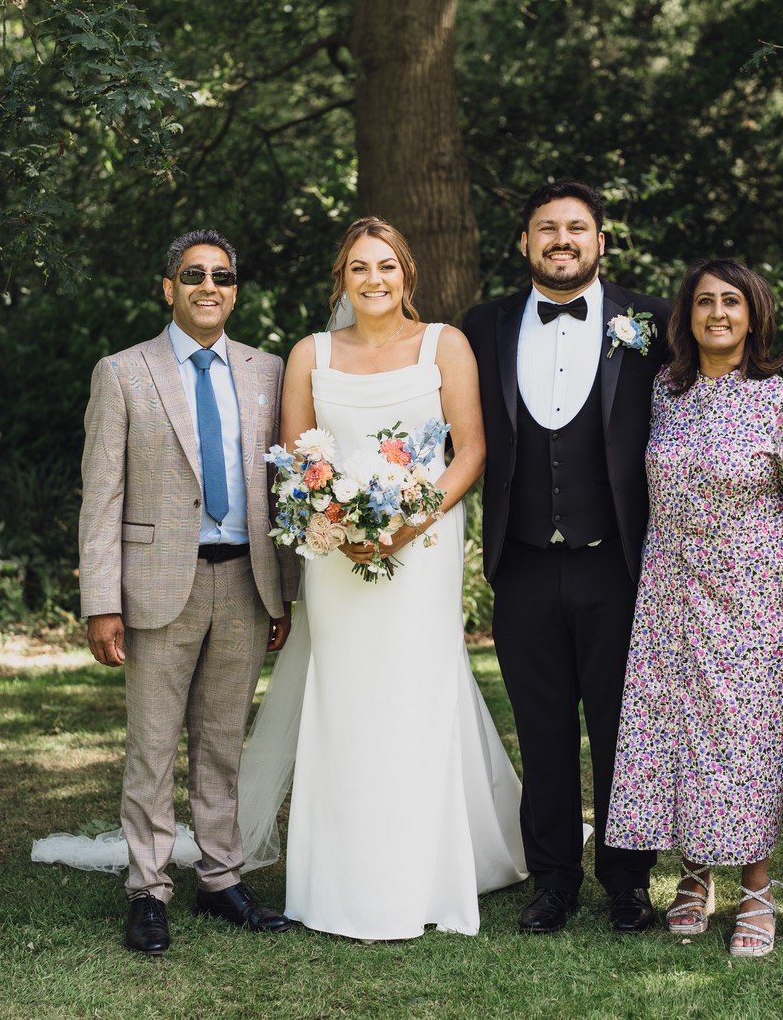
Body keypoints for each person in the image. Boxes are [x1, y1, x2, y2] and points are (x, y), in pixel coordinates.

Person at [267, 216, 527, 940]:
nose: (373, 279)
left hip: (424, 544)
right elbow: (294, 458)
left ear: (406, 274)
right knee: (344, 695)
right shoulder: (311, 353)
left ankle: (425, 873)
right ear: (341, 280)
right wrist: (337, 521)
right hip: (335, 552)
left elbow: (470, 451)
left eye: (385, 266)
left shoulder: (446, 344)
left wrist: (408, 522)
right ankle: (340, 874)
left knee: (417, 689)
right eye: (359, 267)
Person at [605, 259, 783, 957]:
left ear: (753, 314)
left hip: (755, 596)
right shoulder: (663, 392)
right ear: (687, 316)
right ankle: (693, 874)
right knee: (677, 731)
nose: (717, 312)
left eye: (731, 301)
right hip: (670, 594)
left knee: (746, 740)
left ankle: (757, 888)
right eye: (705, 301)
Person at [78, 229, 299, 956]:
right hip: (155, 585)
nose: (210, 286)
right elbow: (101, 497)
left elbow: (285, 486)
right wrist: (101, 601)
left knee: (222, 741)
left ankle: (221, 878)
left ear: (236, 290)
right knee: (152, 744)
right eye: (194, 274)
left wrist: (284, 591)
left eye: (223, 276)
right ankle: (148, 889)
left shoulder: (269, 371)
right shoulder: (123, 372)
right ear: (168, 287)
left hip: (246, 580)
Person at [461, 181, 670, 934]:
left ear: (600, 242)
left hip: (616, 562)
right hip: (520, 561)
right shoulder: (481, 326)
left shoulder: (651, 321)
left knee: (622, 729)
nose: (561, 240)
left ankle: (627, 882)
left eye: (576, 228)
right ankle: (552, 880)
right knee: (542, 729)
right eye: (546, 228)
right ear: (524, 242)